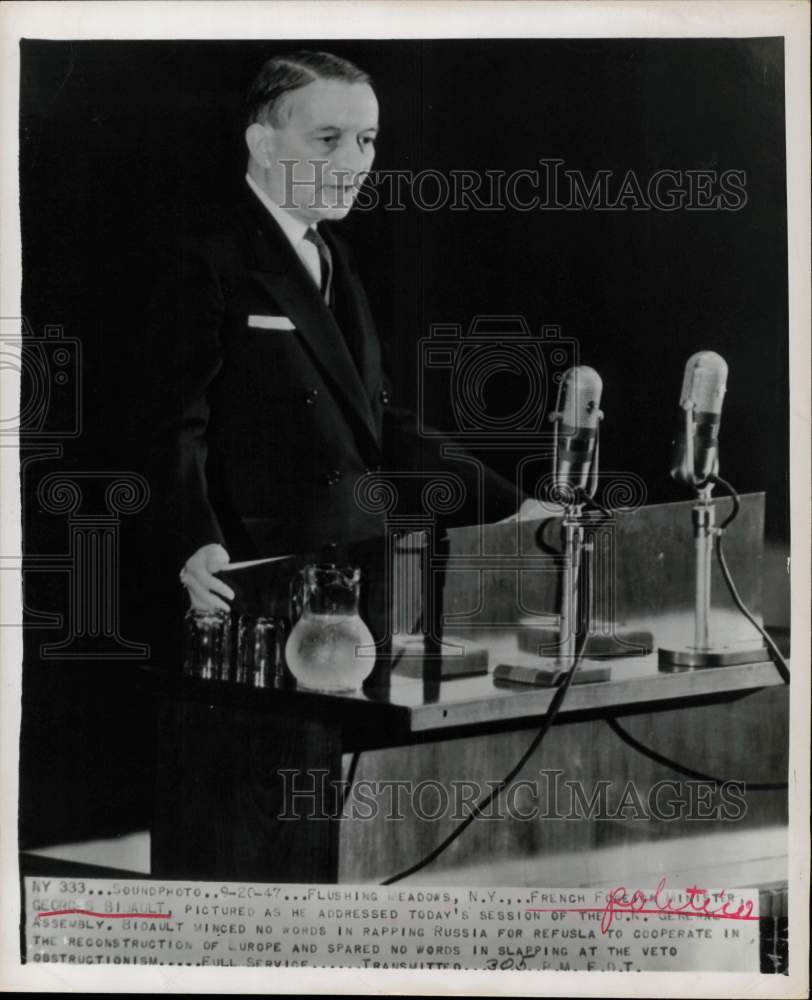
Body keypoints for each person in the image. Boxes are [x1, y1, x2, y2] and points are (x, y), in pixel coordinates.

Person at [160, 51, 531, 616]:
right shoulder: (204, 255)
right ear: (263, 144)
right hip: (249, 582)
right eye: (328, 139)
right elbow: (173, 424)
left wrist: (513, 509)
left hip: (354, 571)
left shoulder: (333, 254)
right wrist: (194, 541)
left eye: (366, 140)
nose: (354, 163)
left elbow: (376, 424)